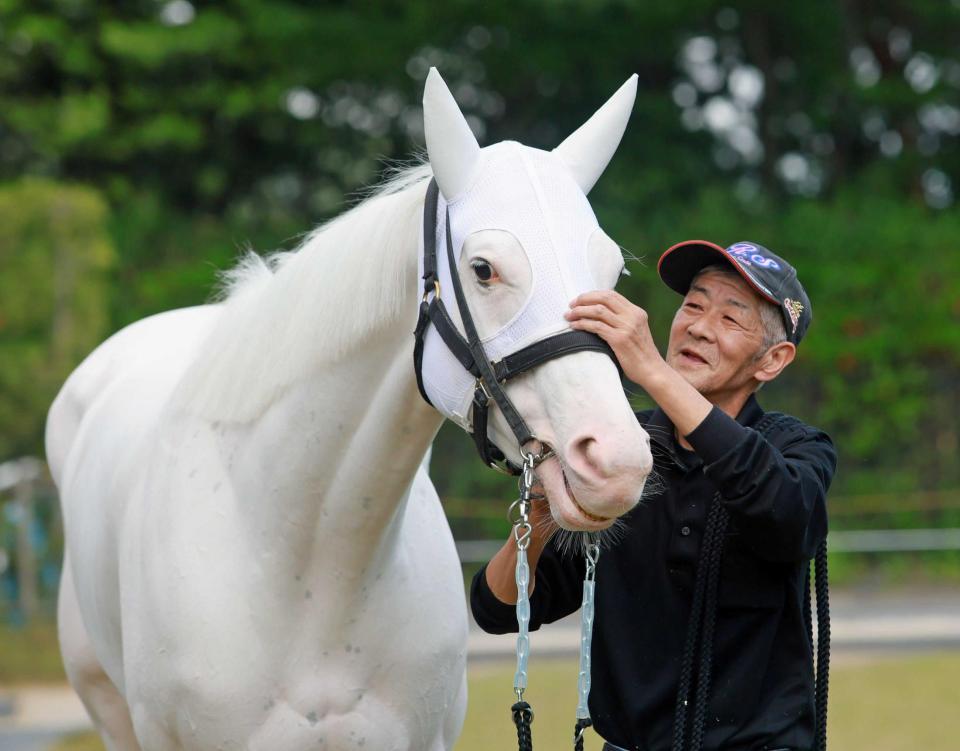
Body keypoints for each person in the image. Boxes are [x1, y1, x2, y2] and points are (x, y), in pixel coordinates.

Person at [470, 240, 837, 751]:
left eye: (731, 319)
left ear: (772, 360)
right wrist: (543, 504)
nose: (700, 326)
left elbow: (786, 514)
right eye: (693, 304)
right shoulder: (625, 452)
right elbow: (499, 609)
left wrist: (652, 372)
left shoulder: (797, 448)